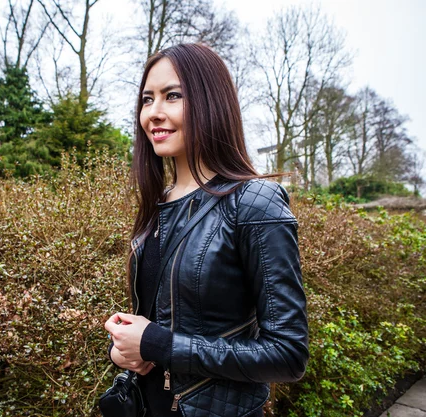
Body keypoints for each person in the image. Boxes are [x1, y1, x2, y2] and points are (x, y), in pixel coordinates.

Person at [104, 43, 309, 417]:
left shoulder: (254, 204)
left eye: (173, 96)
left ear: (210, 102)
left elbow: (288, 354)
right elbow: (156, 321)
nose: (154, 113)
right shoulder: (158, 205)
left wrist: (160, 345)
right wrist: (122, 348)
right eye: (147, 99)